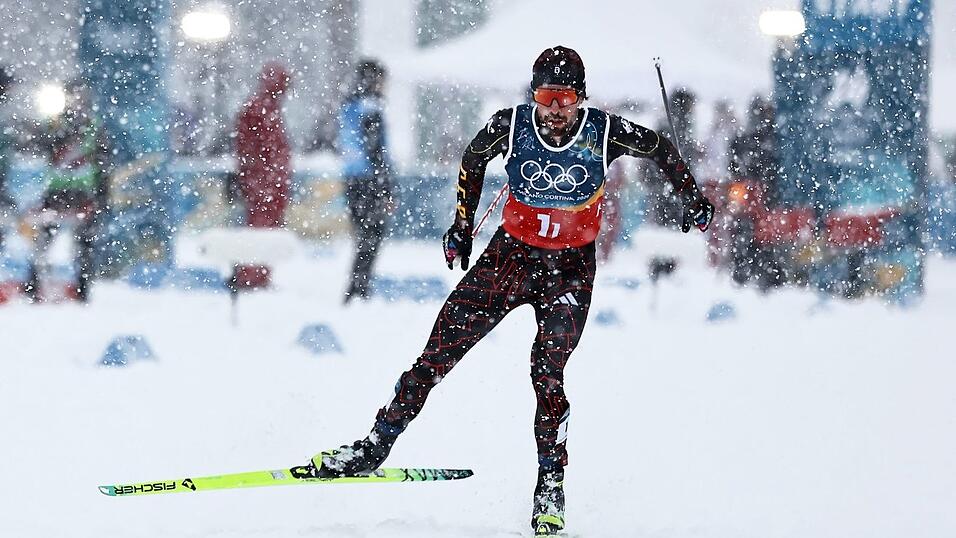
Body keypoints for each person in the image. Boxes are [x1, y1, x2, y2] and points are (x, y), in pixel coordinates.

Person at [307, 47, 714, 537]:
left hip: (569, 270)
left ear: (580, 98)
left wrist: (691, 197)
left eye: (565, 98)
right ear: (534, 95)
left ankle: (550, 485)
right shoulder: (511, 124)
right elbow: (473, 156)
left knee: (547, 372)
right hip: (509, 260)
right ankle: (375, 445)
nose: (555, 109)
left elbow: (660, 148)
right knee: (435, 356)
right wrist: (461, 226)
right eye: (546, 96)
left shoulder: (604, 131)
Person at [24, 79, 110, 303]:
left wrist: (102, 194)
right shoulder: (54, 125)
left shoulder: (93, 126)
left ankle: (82, 288)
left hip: (82, 193)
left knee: (84, 247)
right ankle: (34, 286)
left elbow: (103, 162)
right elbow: (39, 145)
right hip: (56, 193)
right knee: (44, 242)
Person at [339, 59, 392, 303]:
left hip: (352, 179)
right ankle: (359, 288)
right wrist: (386, 188)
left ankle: (357, 286)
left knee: (363, 236)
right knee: (372, 236)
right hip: (370, 181)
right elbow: (375, 150)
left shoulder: (350, 105)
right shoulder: (371, 108)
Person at [236, 62, 292, 228]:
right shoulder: (261, 108)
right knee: (263, 224)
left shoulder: (266, 108)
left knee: (265, 221)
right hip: (264, 180)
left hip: (267, 179)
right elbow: (251, 146)